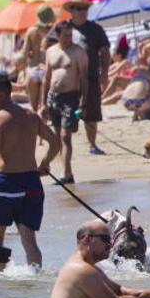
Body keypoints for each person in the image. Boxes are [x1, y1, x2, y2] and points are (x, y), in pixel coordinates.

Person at [0, 73, 61, 269]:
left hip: (6, 183)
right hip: (32, 183)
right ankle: (34, 284)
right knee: (30, 241)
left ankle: (1, 290)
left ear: (1, 95)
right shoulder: (30, 116)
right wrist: (45, 162)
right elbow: (55, 142)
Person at [49, 219, 150, 298]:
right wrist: (147, 296)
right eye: (106, 239)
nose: (111, 244)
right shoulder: (82, 270)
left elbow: (119, 290)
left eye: (111, 240)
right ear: (87, 239)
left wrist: (149, 294)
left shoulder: (88, 267)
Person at [41, 22, 88, 183]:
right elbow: (47, 79)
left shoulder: (78, 52)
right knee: (57, 136)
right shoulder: (50, 51)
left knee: (65, 136)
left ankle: (66, 173)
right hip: (53, 97)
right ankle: (64, 171)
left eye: (70, 35)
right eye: (65, 35)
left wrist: (83, 102)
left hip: (71, 97)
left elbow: (84, 79)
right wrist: (43, 103)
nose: (69, 38)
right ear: (58, 35)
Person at [65, 0, 110, 156]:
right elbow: (48, 45)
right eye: (79, 8)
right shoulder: (64, 28)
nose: (82, 11)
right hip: (68, 79)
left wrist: (105, 74)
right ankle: (65, 145)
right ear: (72, 10)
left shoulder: (95, 29)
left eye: (85, 8)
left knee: (92, 112)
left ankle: (92, 144)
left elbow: (105, 52)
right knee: (67, 112)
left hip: (90, 77)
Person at [22, 4, 55, 111]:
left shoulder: (31, 31)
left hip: (33, 70)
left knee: (34, 108)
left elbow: (24, 53)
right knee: (44, 107)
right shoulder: (54, 32)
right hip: (47, 70)